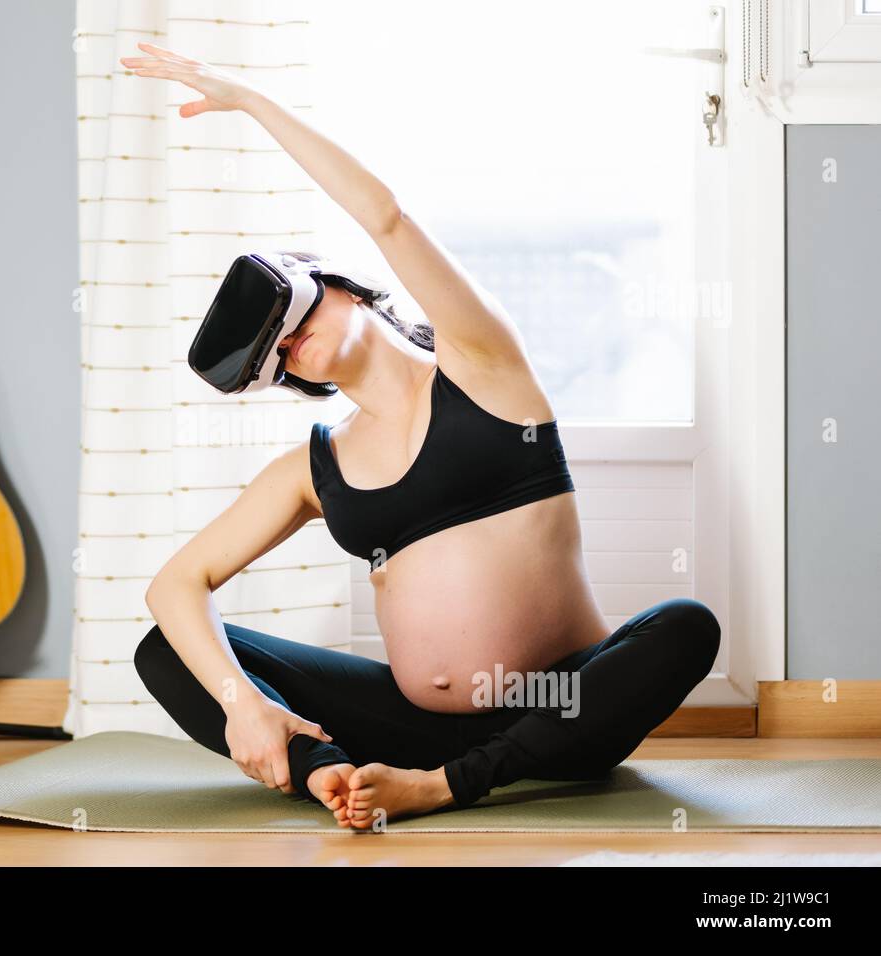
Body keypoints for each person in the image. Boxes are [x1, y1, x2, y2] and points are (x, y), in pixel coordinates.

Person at [122, 42, 720, 829]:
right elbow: (176, 584)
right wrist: (242, 703)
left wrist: (252, 103)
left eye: (293, 319)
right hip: (409, 729)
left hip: (558, 705)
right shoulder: (316, 465)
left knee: (685, 627)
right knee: (165, 651)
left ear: (337, 285)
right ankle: (332, 775)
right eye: (278, 351)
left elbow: (386, 214)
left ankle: (446, 787)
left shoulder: (481, 364)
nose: (291, 342)